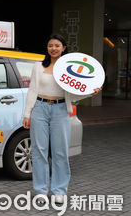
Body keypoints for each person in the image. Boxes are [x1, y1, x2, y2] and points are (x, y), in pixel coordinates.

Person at [22, 34, 102, 204]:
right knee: (39, 151)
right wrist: (27, 113)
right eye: (51, 45)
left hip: (60, 110)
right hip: (39, 109)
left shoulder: (68, 68)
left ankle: (60, 190)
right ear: (47, 48)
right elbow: (32, 90)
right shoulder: (38, 66)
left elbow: (74, 95)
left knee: (60, 152)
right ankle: (41, 190)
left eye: (57, 45)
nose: (53, 48)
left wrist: (90, 92)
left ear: (63, 48)